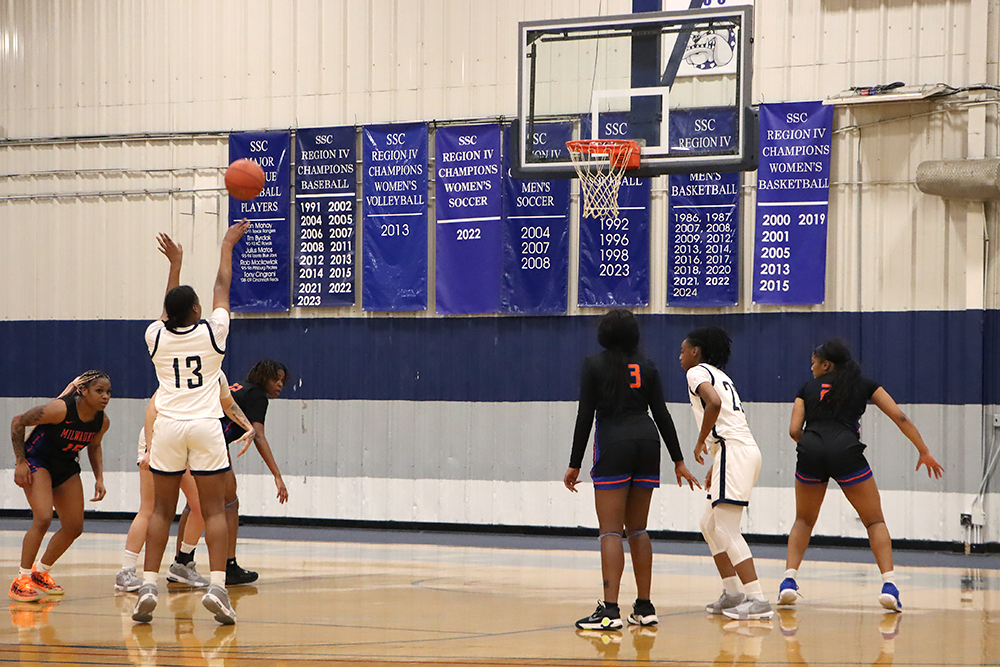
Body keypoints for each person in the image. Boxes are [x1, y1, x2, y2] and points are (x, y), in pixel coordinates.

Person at [132, 221, 250, 626]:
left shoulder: (155, 337)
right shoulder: (214, 334)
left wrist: (175, 265)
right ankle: (218, 587)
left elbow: (168, 311)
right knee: (214, 510)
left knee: (161, 510)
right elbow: (222, 286)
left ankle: (147, 585)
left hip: (167, 426)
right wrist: (227, 245)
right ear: (197, 311)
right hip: (204, 426)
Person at [781, 339, 945, 612]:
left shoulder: (805, 389)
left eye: (813, 363)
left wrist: (813, 446)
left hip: (810, 447)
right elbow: (899, 417)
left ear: (826, 364)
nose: (810, 368)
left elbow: (794, 429)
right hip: (845, 448)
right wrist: (923, 450)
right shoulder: (866, 384)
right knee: (874, 520)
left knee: (803, 520)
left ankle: (788, 581)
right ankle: (889, 587)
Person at [564, 308, 700, 630]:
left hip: (613, 443)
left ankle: (610, 611)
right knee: (638, 529)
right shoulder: (648, 365)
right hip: (647, 442)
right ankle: (644, 607)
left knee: (611, 530)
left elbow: (585, 416)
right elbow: (663, 414)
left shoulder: (594, 364)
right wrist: (678, 460)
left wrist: (574, 463)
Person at [114, 377, 254, 593]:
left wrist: (248, 427)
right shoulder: (176, 368)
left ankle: (182, 564)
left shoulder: (216, 372)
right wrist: (150, 450)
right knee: (150, 507)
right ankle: (126, 571)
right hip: (161, 435)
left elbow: (229, 404)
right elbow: (152, 410)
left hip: (190, 436)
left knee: (199, 506)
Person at [679, 326, 772, 621]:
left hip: (734, 451)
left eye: (683, 350)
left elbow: (715, 405)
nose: (680, 356)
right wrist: (716, 461)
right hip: (735, 451)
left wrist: (699, 442)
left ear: (696, 351)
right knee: (709, 524)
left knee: (727, 529)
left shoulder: (696, 372)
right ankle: (732, 592)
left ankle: (756, 597)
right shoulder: (722, 376)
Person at [172, 358, 289, 585]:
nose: (280, 385)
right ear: (264, 377)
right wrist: (277, 475)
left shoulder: (238, 387)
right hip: (211, 442)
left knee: (194, 503)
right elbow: (258, 436)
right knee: (228, 503)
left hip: (191, 436)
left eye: (282, 381)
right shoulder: (256, 396)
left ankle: (181, 563)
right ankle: (228, 566)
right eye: (277, 379)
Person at [9, 371, 111, 601]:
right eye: (99, 391)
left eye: (108, 392)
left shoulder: (101, 421)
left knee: (74, 526)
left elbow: (94, 447)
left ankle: (40, 573)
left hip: (65, 466)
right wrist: (20, 462)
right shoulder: (60, 410)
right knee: (43, 518)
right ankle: (21, 580)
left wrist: (99, 478)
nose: (105, 396)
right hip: (37, 461)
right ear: (83, 391)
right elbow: (18, 421)